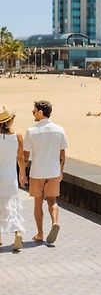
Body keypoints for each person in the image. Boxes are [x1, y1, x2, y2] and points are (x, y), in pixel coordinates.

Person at [24, 101, 68, 244]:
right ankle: (55, 222)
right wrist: (61, 171)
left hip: (37, 172)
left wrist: (22, 173)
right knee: (52, 201)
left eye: (34, 111)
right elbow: (62, 155)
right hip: (53, 171)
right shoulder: (59, 130)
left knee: (38, 204)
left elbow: (25, 156)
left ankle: (40, 234)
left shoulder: (31, 131)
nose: (33, 113)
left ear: (41, 112)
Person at [0, 106, 26, 251]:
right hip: (10, 176)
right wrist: (22, 174)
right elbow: (20, 158)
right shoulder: (17, 136)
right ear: (9, 120)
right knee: (13, 206)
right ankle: (17, 233)